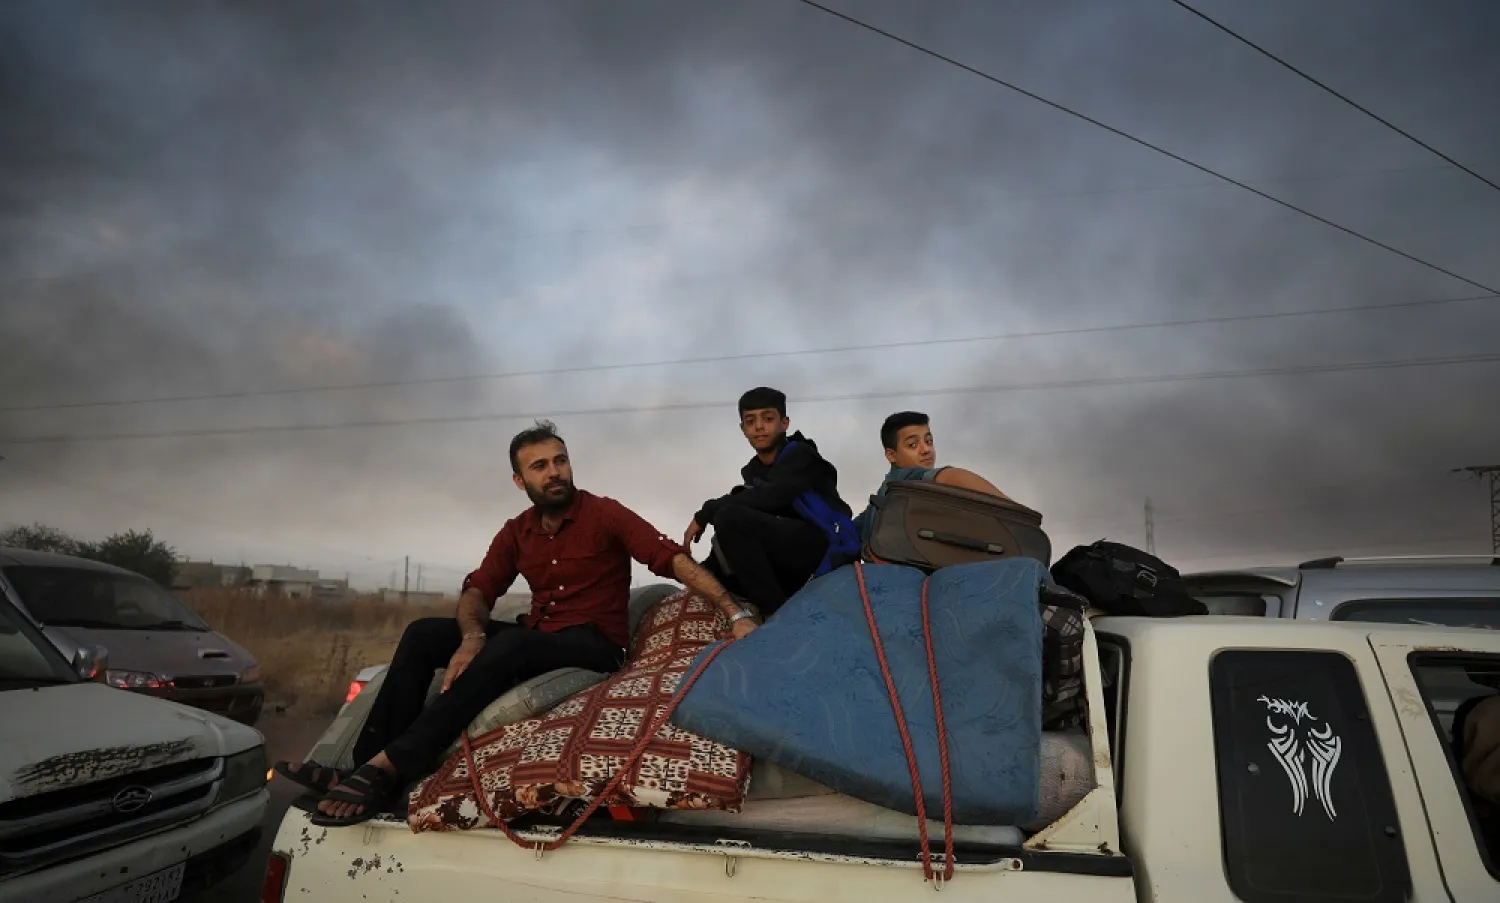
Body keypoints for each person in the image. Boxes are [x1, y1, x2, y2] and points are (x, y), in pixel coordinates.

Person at [275, 420, 755, 827]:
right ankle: (360, 768)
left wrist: (732, 611)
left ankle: (392, 765)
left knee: (514, 646)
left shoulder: (604, 513)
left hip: (594, 644)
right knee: (423, 633)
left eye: (560, 461)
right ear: (519, 480)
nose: (555, 473)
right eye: (540, 466)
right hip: (537, 637)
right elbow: (479, 590)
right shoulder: (517, 532)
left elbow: (668, 558)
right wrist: (471, 634)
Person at [684, 386, 857, 620]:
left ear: (784, 423)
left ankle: (775, 614)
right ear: (743, 429)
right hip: (782, 553)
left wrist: (706, 512)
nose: (759, 427)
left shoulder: (801, 456)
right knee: (714, 567)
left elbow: (771, 498)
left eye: (767, 418)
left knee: (731, 517)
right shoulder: (753, 472)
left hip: (820, 545)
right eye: (750, 421)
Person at [851, 410, 1013, 544]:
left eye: (928, 441)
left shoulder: (882, 496)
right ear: (891, 455)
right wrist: (1016, 512)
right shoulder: (908, 479)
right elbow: (953, 477)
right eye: (912, 445)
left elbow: (853, 531)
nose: (925, 449)